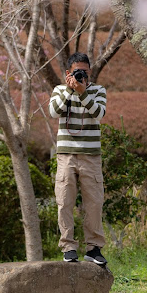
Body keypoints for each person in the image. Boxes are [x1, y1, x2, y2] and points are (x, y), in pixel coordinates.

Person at [49, 52, 107, 265]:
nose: (81, 74)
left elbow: (99, 114)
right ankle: (68, 247)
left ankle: (93, 248)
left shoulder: (98, 91)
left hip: (91, 157)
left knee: (94, 203)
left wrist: (83, 92)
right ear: (68, 73)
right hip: (66, 156)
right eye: (77, 71)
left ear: (89, 71)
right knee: (64, 201)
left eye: (84, 71)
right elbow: (54, 112)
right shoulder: (59, 90)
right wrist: (69, 90)